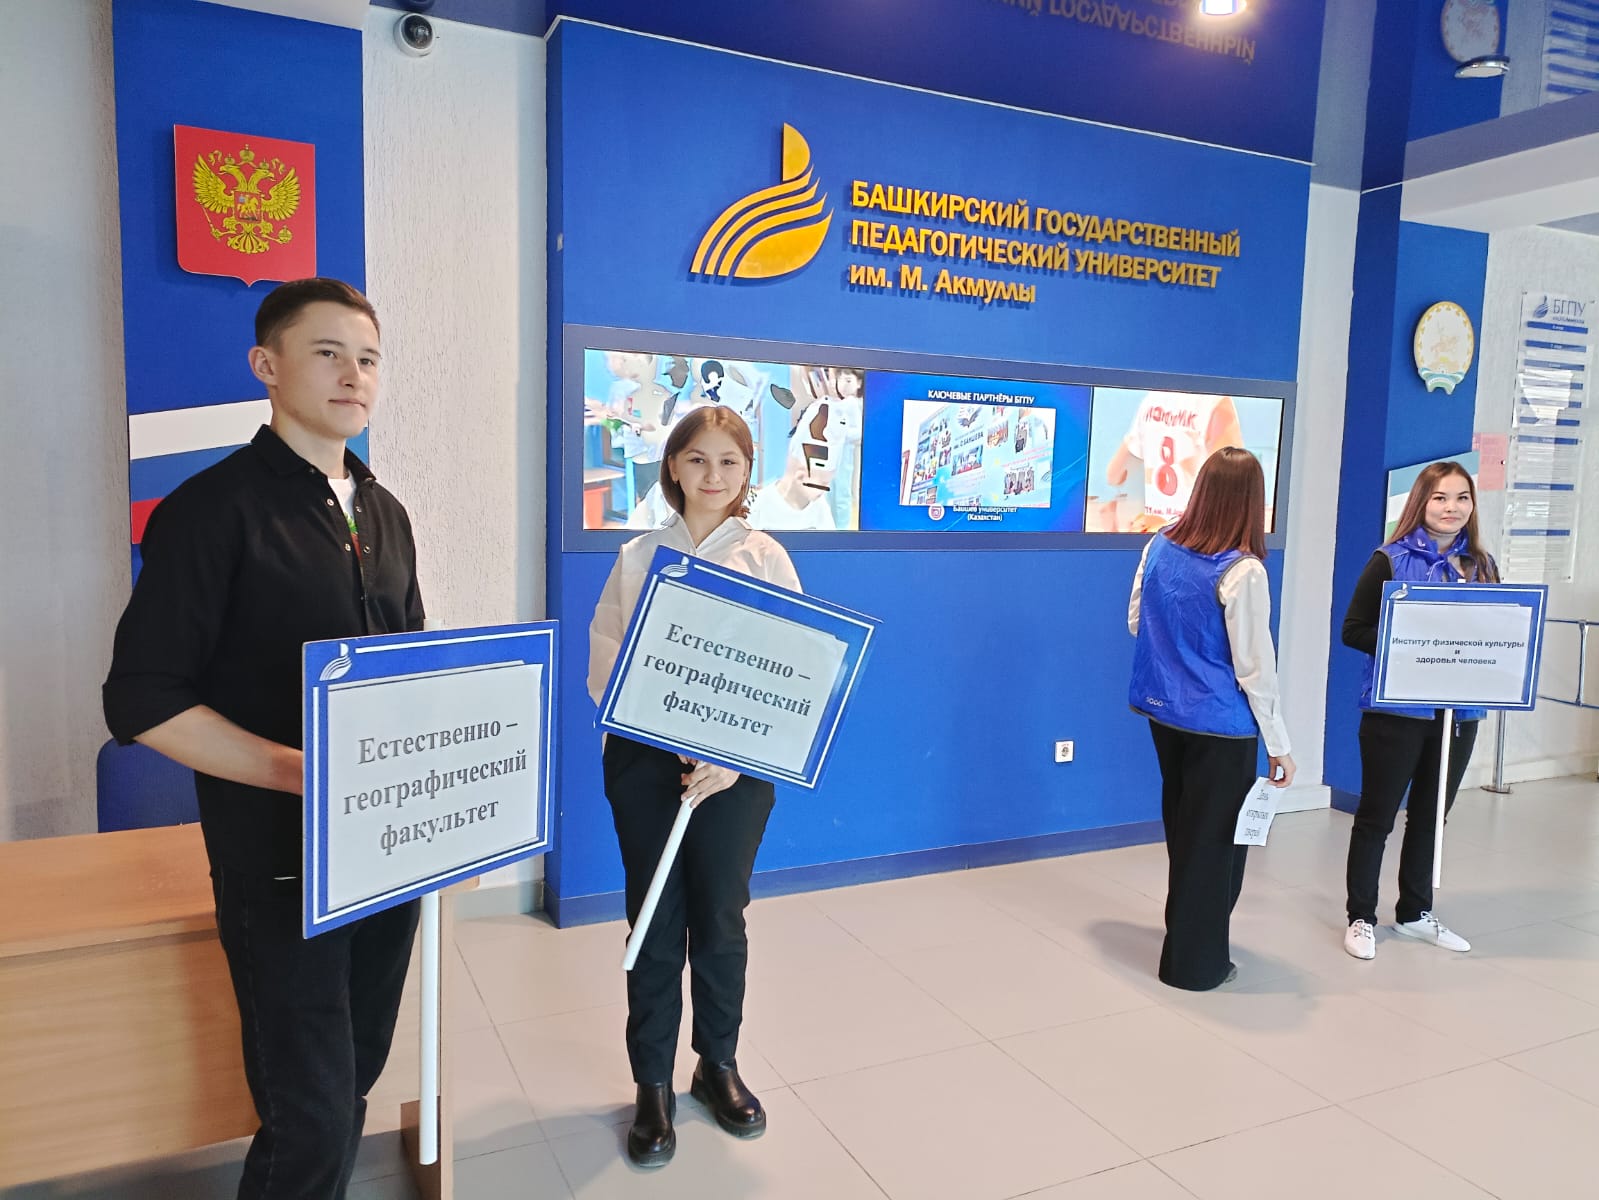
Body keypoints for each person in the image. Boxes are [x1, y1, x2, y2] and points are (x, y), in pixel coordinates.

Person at [102, 279, 424, 1198]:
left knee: (354, 1070)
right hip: (278, 865)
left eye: (368, 359)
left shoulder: (384, 512)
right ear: (266, 366)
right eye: (327, 353)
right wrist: (299, 774)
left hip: (384, 851)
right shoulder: (210, 511)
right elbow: (142, 699)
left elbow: (411, 679)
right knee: (307, 1110)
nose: (353, 375)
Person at [587, 406, 800, 1168]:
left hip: (733, 775)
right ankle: (651, 1084)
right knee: (651, 923)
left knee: (719, 918)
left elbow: (792, 671)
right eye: (698, 459)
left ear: (747, 473)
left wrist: (735, 755)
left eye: (729, 462)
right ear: (672, 465)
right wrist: (663, 728)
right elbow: (606, 664)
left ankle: (717, 1065)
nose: (713, 475)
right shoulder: (638, 556)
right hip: (646, 765)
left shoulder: (766, 558)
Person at [1127, 447, 1294, 991]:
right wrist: (1279, 744)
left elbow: (1136, 622)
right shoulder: (1243, 571)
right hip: (1221, 726)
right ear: (1252, 501)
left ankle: (1185, 939)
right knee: (1216, 844)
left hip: (1164, 714)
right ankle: (1195, 966)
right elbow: (1255, 668)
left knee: (1184, 832)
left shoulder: (1159, 544)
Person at [1340, 461, 1498, 961]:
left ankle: (1414, 912)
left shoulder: (1482, 565)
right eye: (1440, 498)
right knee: (1377, 816)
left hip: (1459, 716)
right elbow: (1353, 630)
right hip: (1396, 713)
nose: (1452, 508)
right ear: (1421, 502)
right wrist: (1414, 646)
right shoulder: (1388, 560)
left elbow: (1499, 630)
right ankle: (1361, 916)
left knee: (1431, 817)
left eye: (1462, 498)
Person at [1107, 391, 1245, 531]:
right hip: (1194, 533)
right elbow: (1233, 483)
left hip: (1154, 530)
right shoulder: (1216, 402)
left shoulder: (1151, 399)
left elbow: (1113, 475)